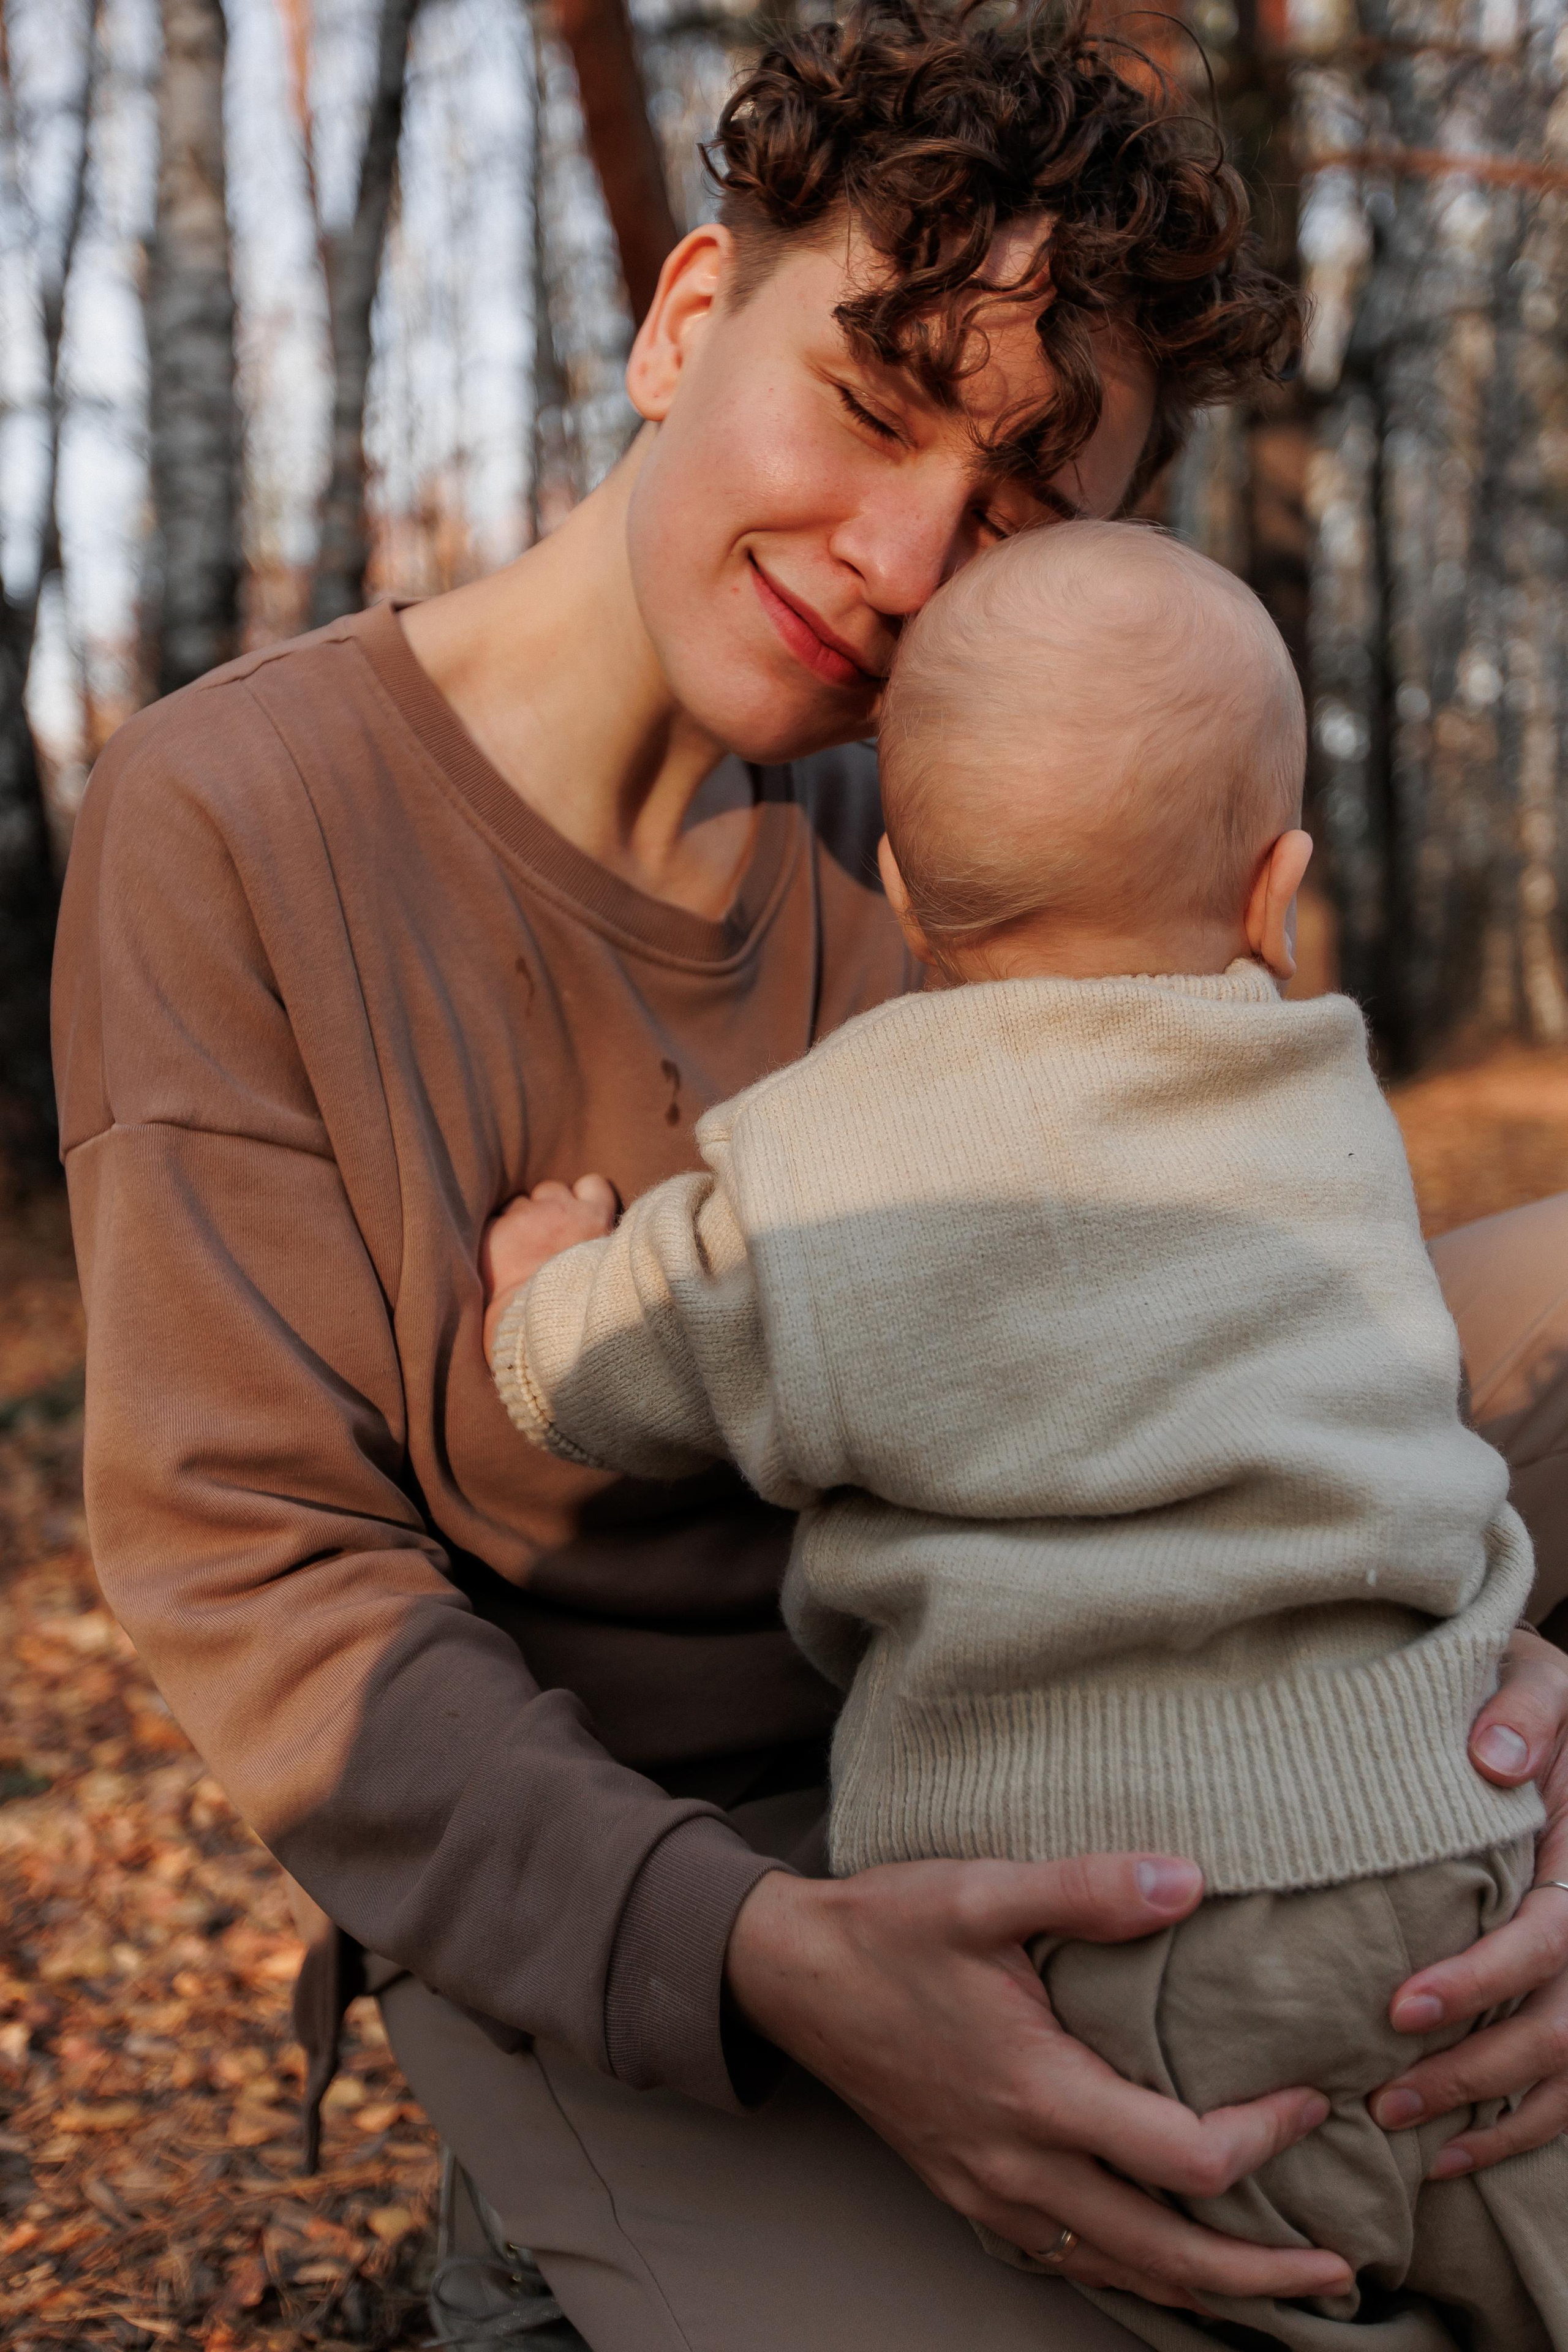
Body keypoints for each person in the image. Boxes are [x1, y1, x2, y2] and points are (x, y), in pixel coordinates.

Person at [50, 4, 1568, 2344]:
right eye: (872, 405)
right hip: (653, 1897)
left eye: (1014, 512)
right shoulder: (239, 817)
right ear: (685, 318)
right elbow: (260, 1568)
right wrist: (765, 1963)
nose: (896, 558)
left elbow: (1284, 1315)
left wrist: (1498, 1740)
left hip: (1077, 1758)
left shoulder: (1002, 832)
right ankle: (562, 2235)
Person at [480, 520, 1568, 2350]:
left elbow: (597, 1381)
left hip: (1069, 1930)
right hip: (1431, 1853)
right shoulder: (1325, 1105)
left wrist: (548, 1283)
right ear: (1273, 891)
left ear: (901, 889)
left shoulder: (828, 1165)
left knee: (1237, 2278)